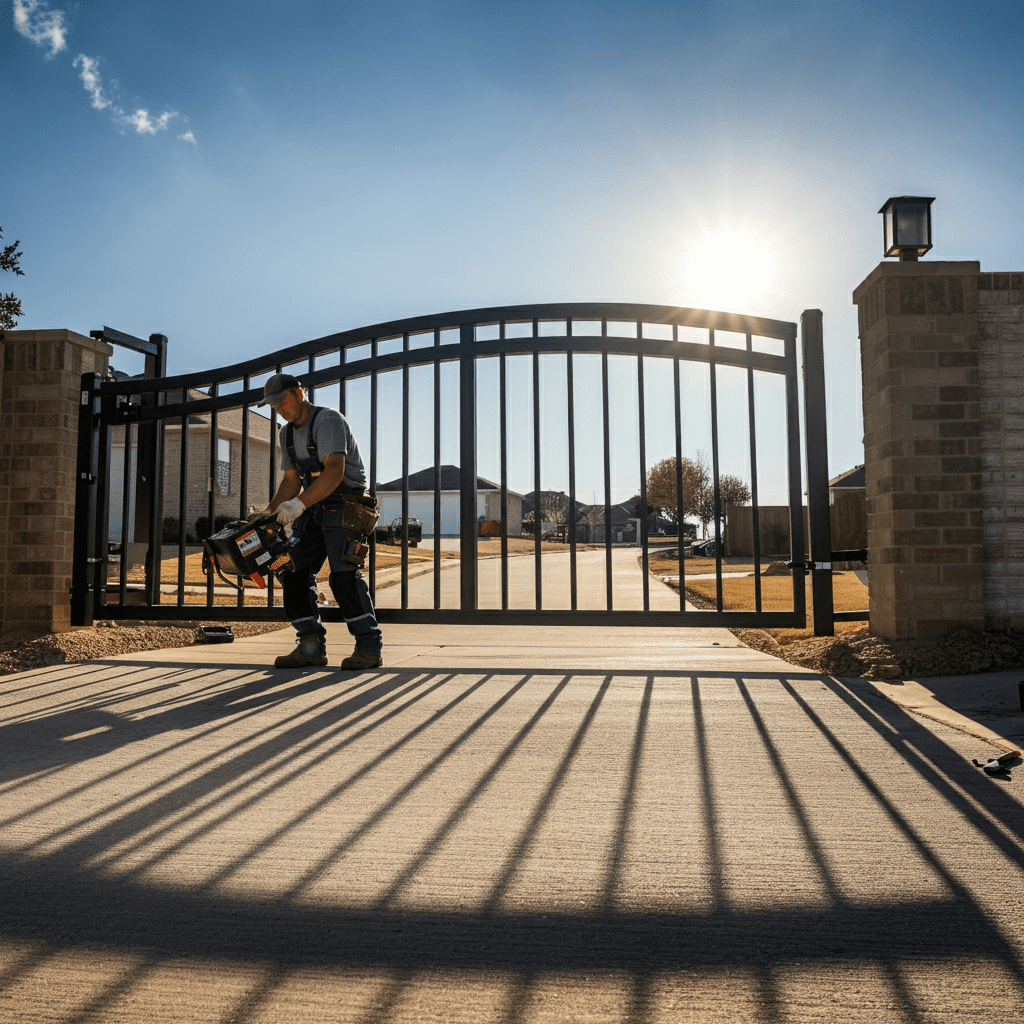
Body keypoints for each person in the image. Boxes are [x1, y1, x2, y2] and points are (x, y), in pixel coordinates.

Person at [257, 373, 383, 670]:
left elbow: (335, 471)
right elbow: (291, 481)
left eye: (283, 402)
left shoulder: (327, 421)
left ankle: (368, 647)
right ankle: (310, 646)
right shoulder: (285, 434)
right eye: (274, 406)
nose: (281, 409)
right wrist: (270, 513)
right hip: (313, 506)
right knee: (291, 569)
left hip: (345, 504)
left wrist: (299, 504)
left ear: (299, 393)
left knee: (343, 578)